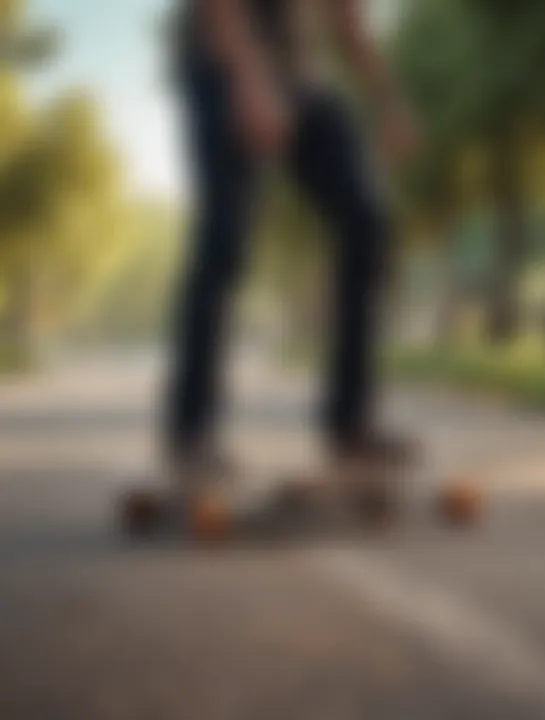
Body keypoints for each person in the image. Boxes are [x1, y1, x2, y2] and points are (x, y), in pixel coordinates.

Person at [166, 0, 418, 490]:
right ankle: (191, 434)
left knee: (366, 221)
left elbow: (346, 14)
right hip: (219, 59)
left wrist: (388, 99)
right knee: (224, 240)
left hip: (299, 75)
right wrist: (250, 82)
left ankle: (349, 425)